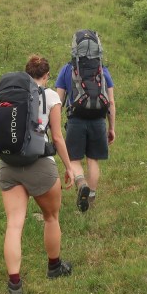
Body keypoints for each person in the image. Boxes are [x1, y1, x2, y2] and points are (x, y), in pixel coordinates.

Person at [0, 54, 76, 294]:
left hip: (8, 165)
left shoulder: (11, 93)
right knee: (51, 217)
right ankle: (54, 267)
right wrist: (69, 167)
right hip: (40, 164)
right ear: (46, 76)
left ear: (25, 73)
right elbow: (57, 137)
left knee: (14, 224)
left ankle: (15, 285)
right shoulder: (52, 96)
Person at [55, 37, 115, 213]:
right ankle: (91, 198)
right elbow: (111, 102)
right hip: (98, 120)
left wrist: (55, 126)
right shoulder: (102, 70)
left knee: (74, 159)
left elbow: (58, 101)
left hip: (75, 120)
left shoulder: (67, 69)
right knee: (93, 159)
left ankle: (81, 182)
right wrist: (111, 127)